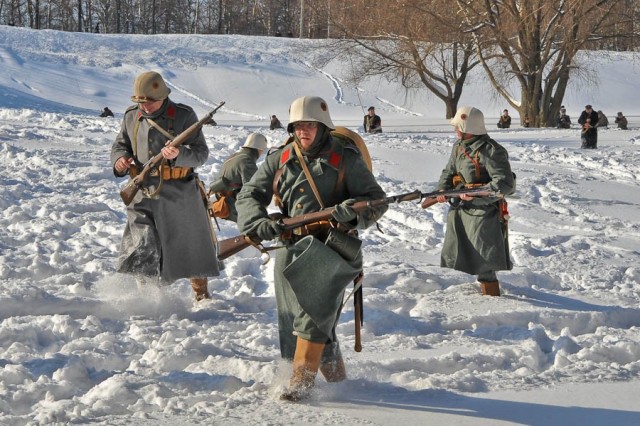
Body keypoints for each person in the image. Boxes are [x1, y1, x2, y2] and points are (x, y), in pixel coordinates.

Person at [236, 96, 387, 401]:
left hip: (331, 249)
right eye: (297, 125)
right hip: (291, 248)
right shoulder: (280, 158)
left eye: (309, 125)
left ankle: (299, 384)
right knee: (295, 320)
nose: (303, 131)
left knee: (313, 317)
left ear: (322, 127)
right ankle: (339, 384)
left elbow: (376, 200)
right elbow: (250, 194)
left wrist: (353, 213)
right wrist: (257, 221)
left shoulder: (344, 157)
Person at [110, 71, 220, 301]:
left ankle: (201, 295)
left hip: (179, 191)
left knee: (191, 245)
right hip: (143, 192)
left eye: (150, 102)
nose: (145, 107)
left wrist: (179, 154)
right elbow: (121, 145)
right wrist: (119, 160)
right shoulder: (131, 116)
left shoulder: (183, 116)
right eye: (141, 102)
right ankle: (150, 298)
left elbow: (200, 154)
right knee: (142, 244)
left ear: (163, 97)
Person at [430, 106, 515, 297]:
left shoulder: (491, 150)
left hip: (482, 211)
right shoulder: (458, 147)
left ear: (467, 127)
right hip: (461, 207)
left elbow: (505, 184)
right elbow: (449, 171)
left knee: (484, 254)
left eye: (457, 126)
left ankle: (491, 294)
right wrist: (441, 191)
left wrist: (477, 195)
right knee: (462, 248)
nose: (455, 130)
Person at [208, 133, 268, 222]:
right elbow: (253, 190)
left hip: (219, 203)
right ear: (259, 149)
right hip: (229, 207)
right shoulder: (247, 161)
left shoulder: (233, 157)